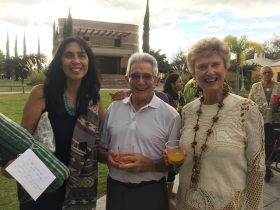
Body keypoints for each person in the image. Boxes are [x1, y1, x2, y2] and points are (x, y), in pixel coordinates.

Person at [1, 37, 105, 210]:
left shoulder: (94, 98)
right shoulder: (41, 93)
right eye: (68, 55)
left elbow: (102, 141)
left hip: (79, 182)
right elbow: (20, 141)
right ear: (59, 62)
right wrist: (10, 166)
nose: (76, 61)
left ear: (89, 62)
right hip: (43, 179)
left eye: (81, 55)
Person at [164, 37, 265, 209]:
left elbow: (257, 169)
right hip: (188, 203)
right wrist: (175, 162)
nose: (209, 72)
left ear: (225, 68)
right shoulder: (188, 111)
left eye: (215, 64)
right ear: (194, 73)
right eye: (202, 67)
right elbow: (187, 164)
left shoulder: (246, 109)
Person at [98, 52, 182, 210]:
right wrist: (106, 157)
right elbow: (100, 149)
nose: (141, 82)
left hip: (152, 192)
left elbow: (176, 164)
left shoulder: (171, 116)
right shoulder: (114, 108)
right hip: (116, 191)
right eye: (135, 76)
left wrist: (152, 165)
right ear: (127, 79)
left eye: (147, 76)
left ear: (155, 80)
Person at [248, 66, 280, 176]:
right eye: (264, 73)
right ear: (261, 75)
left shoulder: (279, 86)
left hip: (275, 119)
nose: (267, 74)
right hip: (259, 119)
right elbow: (250, 101)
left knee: (272, 142)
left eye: (269, 72)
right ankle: (261, 165)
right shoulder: (255, 86)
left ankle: (269, 166)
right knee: (261, 142)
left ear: (272, 74)